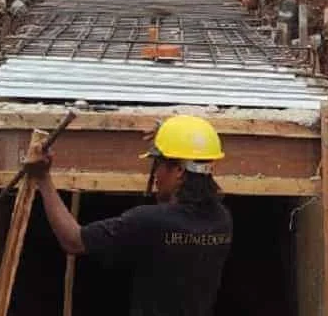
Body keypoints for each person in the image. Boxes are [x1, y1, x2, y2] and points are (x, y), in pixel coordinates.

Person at [28, 115, 233, 316]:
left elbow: (73, 240)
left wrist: (43, 178)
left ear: (179, 170)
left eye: (158, 164)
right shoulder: (222, 220)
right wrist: (169, 134)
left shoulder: (150, 221)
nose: (155, 176)